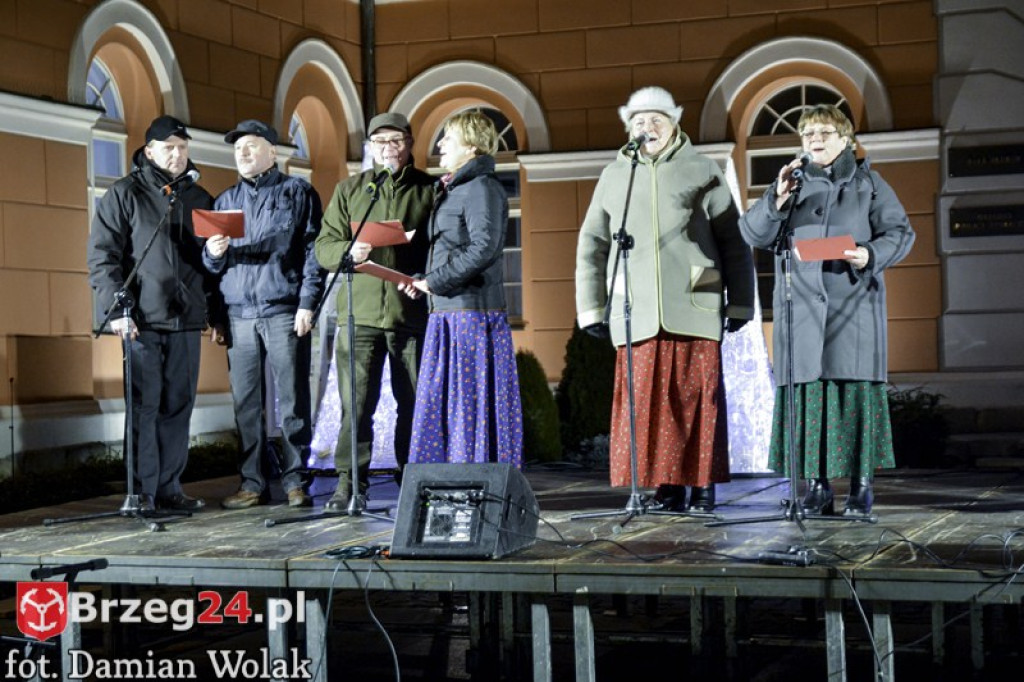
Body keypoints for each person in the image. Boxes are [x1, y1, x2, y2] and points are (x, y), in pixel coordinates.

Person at [575, 86, 755, 512]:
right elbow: (592, 243)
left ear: (675, 123)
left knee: (697, 401)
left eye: (656, 119)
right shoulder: (615, 174)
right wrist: (591, 308)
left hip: (697, 300)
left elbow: (734, 241)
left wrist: (741, 303)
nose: (647, 127)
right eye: (638, 121)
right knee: (650, 408)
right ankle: (666, 487)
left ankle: (704, 485)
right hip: (636, 309)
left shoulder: (702, 169)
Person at [739, 104, 915, 516]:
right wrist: (777, 198)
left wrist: (868, 254)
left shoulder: (869, 183)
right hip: (800, 313)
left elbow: (901, 233)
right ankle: (816, 488)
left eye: (823, 132)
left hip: (852, 307)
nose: (814, 139)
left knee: (852, 397)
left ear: (845, 139)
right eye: (807, 134)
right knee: (810, 400)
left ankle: (861, 488)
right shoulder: (790, 184)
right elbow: (753, 232)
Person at [87, 115, 214, 513]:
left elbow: (210, 264)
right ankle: (140, 491)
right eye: (169, 148)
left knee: (178, 406)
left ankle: (169, 488)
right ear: (149, 151)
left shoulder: (198, 198)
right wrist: (117, 311)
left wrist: (215, 256)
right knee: (145, 405)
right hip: (139, 319)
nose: (177, 155)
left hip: (186, 319)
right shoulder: (124, 194)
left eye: (183, 148)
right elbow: (103, 257)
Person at [314, 112, 434, 512]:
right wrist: (347, 253)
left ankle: (413, 479)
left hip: (409, 312)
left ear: (410, 143)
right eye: (379, 141)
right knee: (357, 403)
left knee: (413, 401)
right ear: (370, 147)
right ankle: (350, 483)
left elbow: (442, 245)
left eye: (395, 141)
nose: (387, 148)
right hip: (359, 314)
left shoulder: (428, 190)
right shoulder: (351, 189)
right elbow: (324, 246)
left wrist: (422, 272)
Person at [204, 120, 324, 509]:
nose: (243, 153)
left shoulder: (298, 193)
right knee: (246, 404)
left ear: (272, 151)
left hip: (282, 309)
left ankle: (295, 481)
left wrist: (308, 303)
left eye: (251, 146)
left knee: (292, 401)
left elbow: (313, 253)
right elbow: (209, 267)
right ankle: (252, 483)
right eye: (238, 148)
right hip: (239, 313)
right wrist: (214, 255)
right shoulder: (224, 201)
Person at [401, 109, 523, 467]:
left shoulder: (481, 188)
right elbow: (451, 247)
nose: (440, 144)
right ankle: (450, 473)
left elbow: (484, 247)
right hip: (448, 310)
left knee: (466, 401)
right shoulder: (457, 188)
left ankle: (473, 471)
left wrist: (435, 281)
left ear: (471, 147)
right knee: (449, 401)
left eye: (448, 138)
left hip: (470, 313)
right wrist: (425, 284)